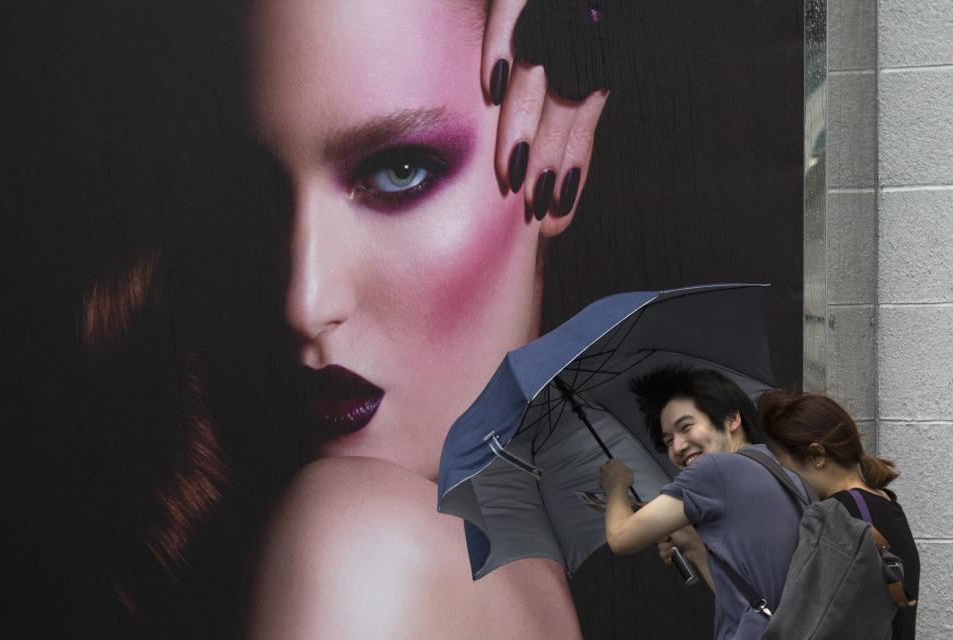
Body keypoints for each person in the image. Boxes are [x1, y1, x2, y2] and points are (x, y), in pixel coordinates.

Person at [243, 0, 607, 637]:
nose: (304, 302)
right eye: (264, 192)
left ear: (555, 147)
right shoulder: (527, 587)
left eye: (399, 170)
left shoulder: (359, 552)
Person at [598, 366, 805, 640]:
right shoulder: (781, 471)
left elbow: (620, 538)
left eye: (686, 427)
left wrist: (616, 484)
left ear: (731, 419)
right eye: (668, 440)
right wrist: (694, 547)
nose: (678, 447)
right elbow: (747, 604)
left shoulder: (716, 470)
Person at [759, 390, 920, 640]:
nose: (786, 480)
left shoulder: (833, 516)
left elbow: (800, 625)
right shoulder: (889, 504)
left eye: (786, 468)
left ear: (817, 456)